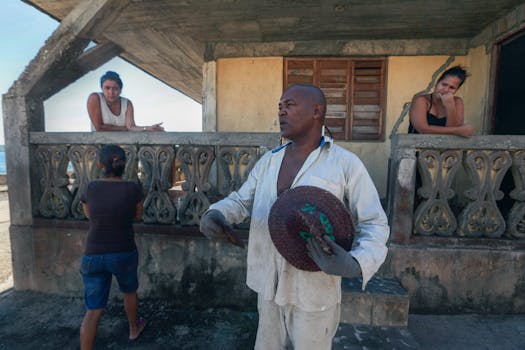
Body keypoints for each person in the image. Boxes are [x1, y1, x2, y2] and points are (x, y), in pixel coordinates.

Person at [199, 84, 389, 349]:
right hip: (268, 285)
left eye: (289, 105)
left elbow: (374, 223)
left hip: (314, 291)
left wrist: (355, 262)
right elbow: (242, 200)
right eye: (279, 107)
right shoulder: (269, 161)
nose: (281, 112)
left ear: (316, 111)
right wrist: (217, 213)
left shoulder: (344, 164)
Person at [79, 145, 146, 349]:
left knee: (93, 310)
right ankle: (134, 329)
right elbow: (138, 216)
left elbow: (88, 215)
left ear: (100, 164)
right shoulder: (134, 188)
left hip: (93, 254)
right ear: (124, 165)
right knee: (129, 292)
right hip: (124, 251)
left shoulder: (89, 188)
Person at [408, 65, 474, 137]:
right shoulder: (421, 100)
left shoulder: (457, 102)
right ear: (437, 83)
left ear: (456, 90)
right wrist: (459, 130)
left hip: (445, 147)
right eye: (444, 84)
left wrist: (450, 107)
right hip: (415, 146)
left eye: (452, 88)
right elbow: (423, 129)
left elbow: (452, 137)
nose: (446, 90)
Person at [87, 71, 164, 131]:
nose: (111, 92)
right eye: (107, 88)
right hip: (100, 146)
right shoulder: (95, 98)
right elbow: (99, 127)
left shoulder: (127, 103)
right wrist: (125, 128)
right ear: (101, 88)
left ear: (120, 90)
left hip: (123, 145)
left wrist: (148, 128)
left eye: (115, 88)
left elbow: (131, 127)